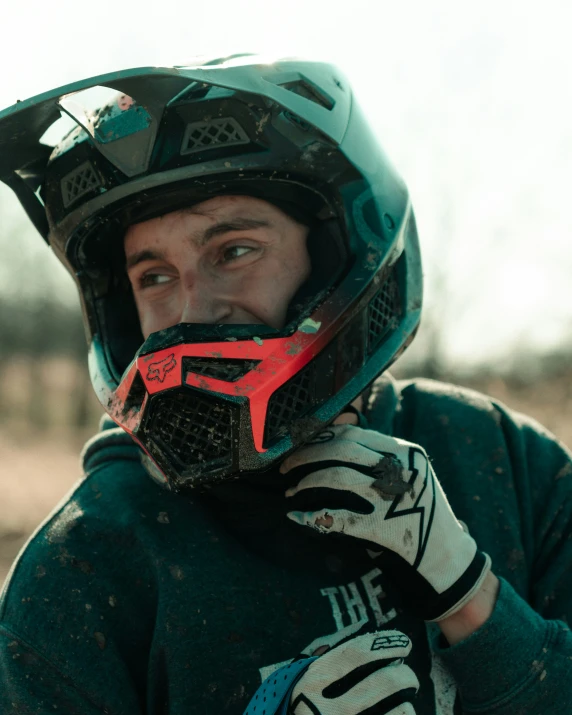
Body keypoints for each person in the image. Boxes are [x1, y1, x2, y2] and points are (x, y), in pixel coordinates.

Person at [0, 54, 571, 714]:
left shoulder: (501, 460)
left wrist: (471, 598)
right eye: (153, 275)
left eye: (233, 252)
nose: (194, 311)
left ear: (337, 256)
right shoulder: (86, 571)